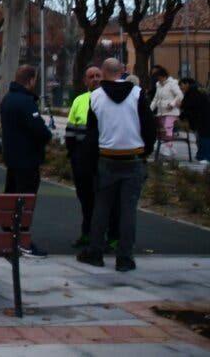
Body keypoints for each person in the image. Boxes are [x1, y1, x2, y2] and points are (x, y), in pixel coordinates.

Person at [77, 58, 157, 272]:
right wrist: (145, 150)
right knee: (128, 209)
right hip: (133, 157)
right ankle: (125, 257)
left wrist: (91, 162)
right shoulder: (137, 94)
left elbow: (92, 135)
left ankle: (95, 252)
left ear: (103, 73)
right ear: (122, 71)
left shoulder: (95, 97)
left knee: (101, 207)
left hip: (107, 157)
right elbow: (149, 127)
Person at [0, 64, 51, 257]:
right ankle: (23, 240)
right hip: (27, 159)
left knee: (12, 195)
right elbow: (39, 129)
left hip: (12, 158)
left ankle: (9, 233)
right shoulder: (25, 102)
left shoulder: (7, 100)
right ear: (31, 80)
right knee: (26, 201)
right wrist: (46, 136)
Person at [65, 65, 117, 248]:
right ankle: (87, 234)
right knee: (86, 200)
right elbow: (70, 131)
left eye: (98, 76)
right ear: (85, 80)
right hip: (82, 161)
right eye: (91, 76)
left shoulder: (109, 98)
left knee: (109, 200)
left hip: (105, 157)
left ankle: (113, 237)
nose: (95, 79)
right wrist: (73, 156)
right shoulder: (79, 100)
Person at [150, 66, 183, 158]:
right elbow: (156, 99)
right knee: (164, 130)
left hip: (171, 111)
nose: (158, 80)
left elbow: (179, 95)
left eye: (159, 78)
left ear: (163, 76)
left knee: (168, 128)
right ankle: (170, 147)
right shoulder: (158, 85)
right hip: (162, 112)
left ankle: (168, 147)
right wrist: (150, 109)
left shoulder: (172, 84)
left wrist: (172, 104)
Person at [179, 78, 210, 163]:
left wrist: (181, 111)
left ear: (187, 84)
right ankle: (200, 156)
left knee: (205, 138)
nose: (181, 88)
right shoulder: (192, 92)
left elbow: (190, 106)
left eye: (181, 85)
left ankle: (206, 157)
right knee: (200, 138)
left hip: (203, 119)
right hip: (200, 119)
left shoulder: (194, 92)